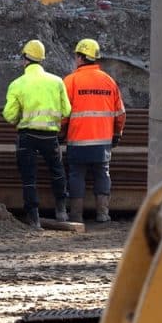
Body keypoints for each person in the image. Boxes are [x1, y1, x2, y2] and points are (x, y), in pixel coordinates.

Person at [3, 39, 71, 228]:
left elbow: (9, 115)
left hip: (27, 137)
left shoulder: (17, 84)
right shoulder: (57, 82)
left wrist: (19, 118)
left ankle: (34, 218)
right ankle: (61, 211)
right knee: (57, 172)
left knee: (29, 177)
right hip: (50, 137)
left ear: (25, 59)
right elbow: (66, 111)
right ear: (41, 59)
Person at [62, 38, 125, 223]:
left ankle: (75, 215)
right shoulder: (108, 81)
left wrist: (62, 132)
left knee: (76, 175)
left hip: (78, 141)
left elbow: (63, 113)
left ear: (81, 57)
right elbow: (120, 113)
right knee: (102, 174)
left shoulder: (71, 81)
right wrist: (116, 134)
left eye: (76, 56)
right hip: (103, 142)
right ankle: (103, 213)